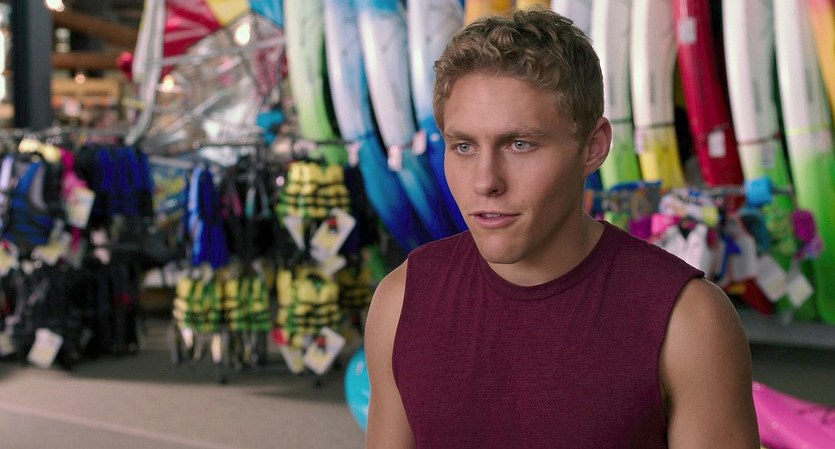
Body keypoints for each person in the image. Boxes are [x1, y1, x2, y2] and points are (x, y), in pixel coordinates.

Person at [364, 7, 759, 449]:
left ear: (593, 147)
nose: (485, 181)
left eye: (519, 144)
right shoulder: (401, 300)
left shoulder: (688, 321)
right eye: (464, 146)